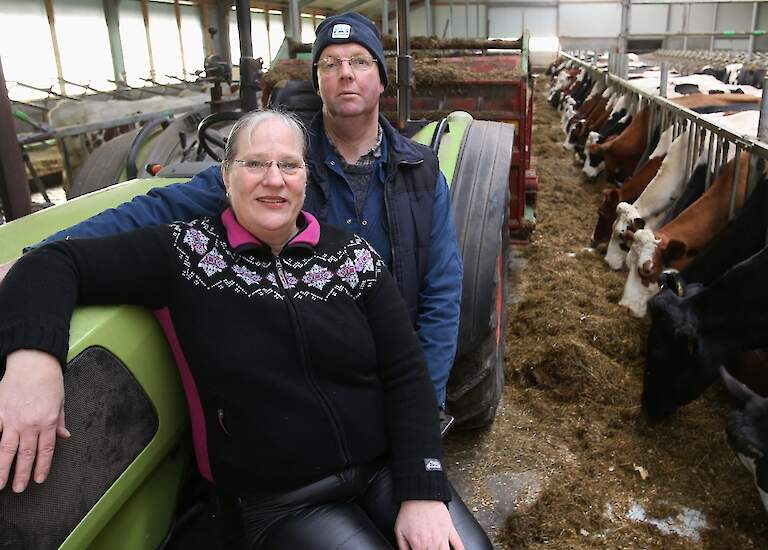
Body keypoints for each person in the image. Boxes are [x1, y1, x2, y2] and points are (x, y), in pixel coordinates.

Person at [0, 110, 491, 550]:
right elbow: (51, 263)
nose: (273, 180)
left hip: (384, 466)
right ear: (226, 177)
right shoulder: (183, 254)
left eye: (289, 165)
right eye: (255, 164)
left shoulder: (352, 258)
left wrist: (422, 488)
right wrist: (33, 361)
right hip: (287, 498)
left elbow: (406, 375)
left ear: (305, 179)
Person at [4, 11, 462, 409]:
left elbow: (441, 291)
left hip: (395, 373)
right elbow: (161, 206)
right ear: (317, 80)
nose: (346, 73)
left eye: (360, 61)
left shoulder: (419, 172)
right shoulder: (279, 166)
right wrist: (39, 259)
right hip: (317, 388)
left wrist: (425, 400)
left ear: (381, 78)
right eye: (331, 63)